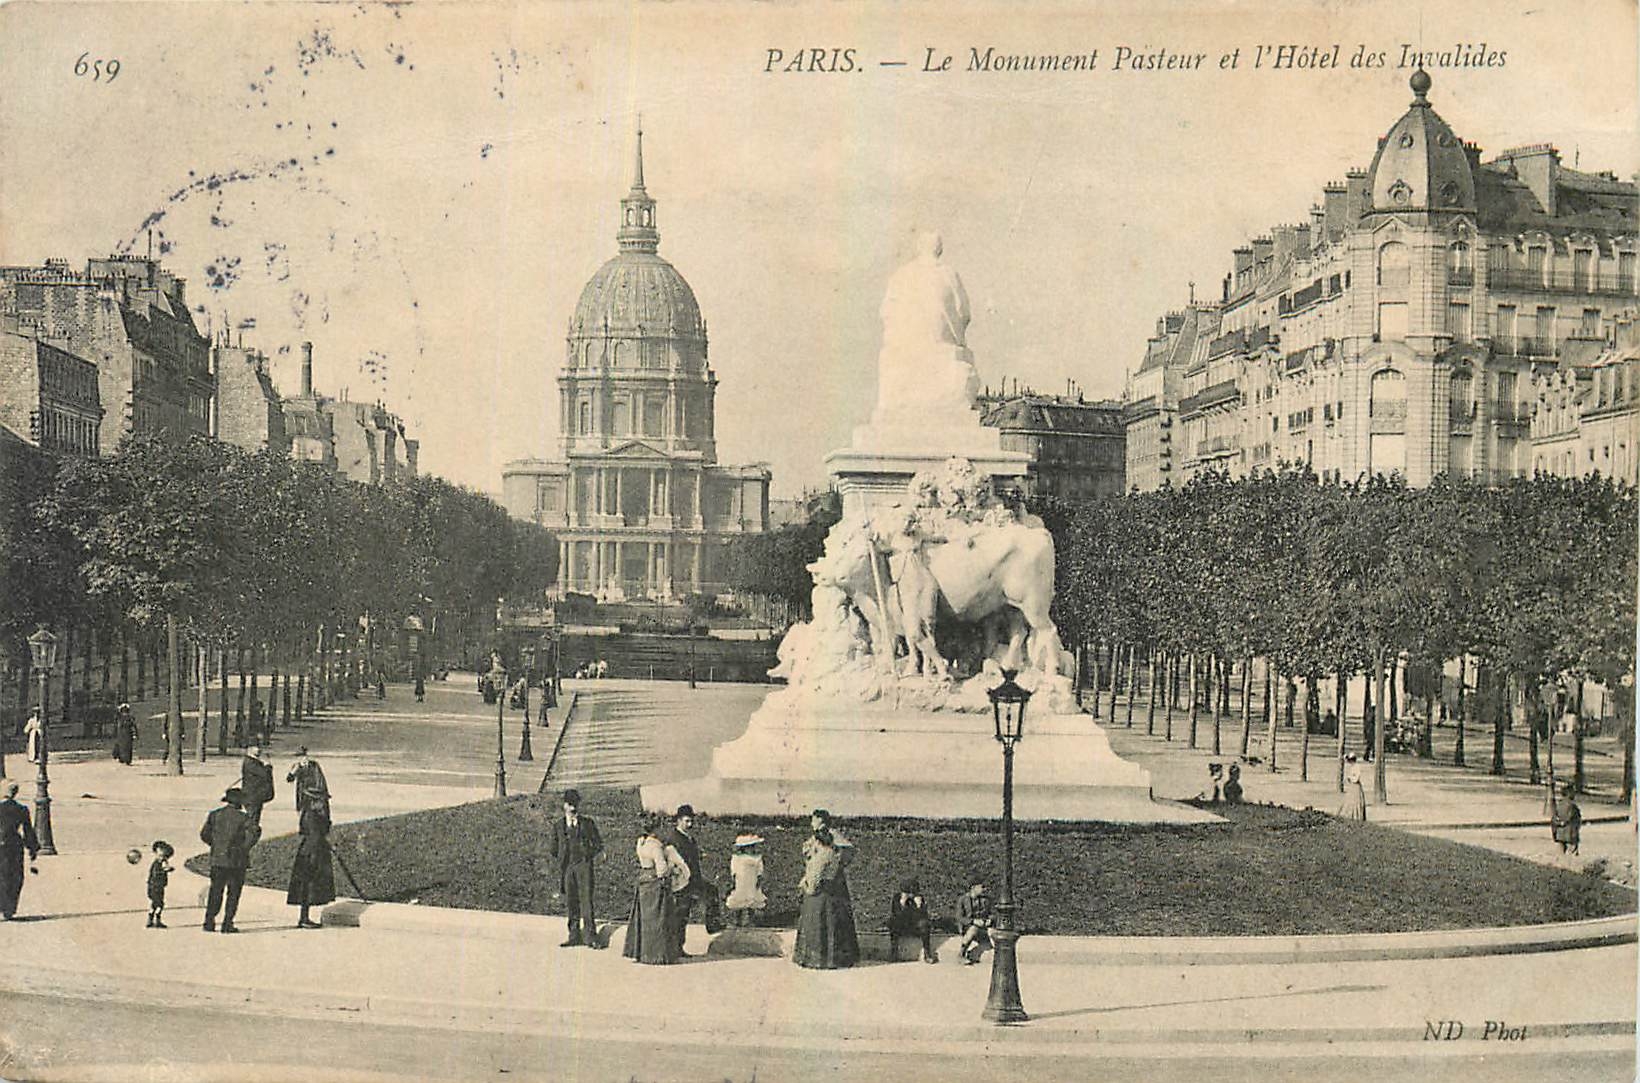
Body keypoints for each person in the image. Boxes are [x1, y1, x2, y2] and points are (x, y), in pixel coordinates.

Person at [793, 809, 858, 970]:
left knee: (834, 916)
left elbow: (848, 852)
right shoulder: (815, 837)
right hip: (820, 874)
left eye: (814, 820)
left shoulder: (832, 835)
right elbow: (809, 856)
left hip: (832, 881)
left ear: (822, 821)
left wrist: (839, 863)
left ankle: (834, 956)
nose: (812, 823)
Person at [623, 812, 686, 964]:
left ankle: (642, 952)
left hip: (643, 880)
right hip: (655, 884)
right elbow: (662, 870)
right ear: (656, 829)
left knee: (644, 919)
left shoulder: (641, 842)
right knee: (658, 920)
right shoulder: (656, 846)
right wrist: (673, 868)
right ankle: (657, 955)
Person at [662, 804, 724, 955]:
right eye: (687, 821)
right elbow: (673, 861)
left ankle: (712, 925)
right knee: (681, 914)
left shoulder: (688, 838)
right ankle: (676, 947)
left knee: (710, 893)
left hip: (693, 879)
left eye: (691, 821)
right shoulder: (674, 838)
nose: (690, 825)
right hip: (681, 882)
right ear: (678, 820)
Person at [548, 788, 604, 948]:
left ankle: (590, 936)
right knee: (571, 900)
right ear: (564, 805)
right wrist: (563, 857)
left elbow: (598, 844)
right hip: (568, 868)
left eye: (576, 806)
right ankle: (574, 935)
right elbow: (553, 848)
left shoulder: (588, 824)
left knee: (586, 900)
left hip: (584, 866)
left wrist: (587, 855)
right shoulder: (558, 826)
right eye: (570, 805)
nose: (573, 809)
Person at [200, 786, 261, 933]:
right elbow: (255, 833)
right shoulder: (244, 818)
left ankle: (209, 921)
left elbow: (204, 835)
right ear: (239, 802)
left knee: (215, 890)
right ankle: (227, 923)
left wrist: (216, 845)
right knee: (233, 893)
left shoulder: (214, 815)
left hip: (218, 860)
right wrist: (243, 848)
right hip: (236, 861)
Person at [286, 798, 336, 928]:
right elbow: (315, 836)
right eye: (320, 801)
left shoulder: (310, 813)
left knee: (306, 887)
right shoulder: (312, 816)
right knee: (308, 886)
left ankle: (304, 917)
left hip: (309, 850)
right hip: (312, 852)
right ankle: (304, 918)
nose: (323, 804)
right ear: (313, 802)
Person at [0, 780, 41, 921]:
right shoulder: (21, 809)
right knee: (15, 876)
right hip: (15, 846)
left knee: (2, 876)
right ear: (15, 793)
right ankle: (9, 908)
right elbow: (28, 830)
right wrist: (33, 848)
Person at [888, 878, 937, 963]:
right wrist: (902, 904)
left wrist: (919, 906)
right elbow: (896, 914)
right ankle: (894, 952)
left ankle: (927, 953)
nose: (911, 895)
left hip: (915, 926)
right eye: (908, 893)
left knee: (924, 924)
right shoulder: (897, 898)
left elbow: (923, 916)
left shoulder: (919, 899)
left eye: (913, 893)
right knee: (893, 922)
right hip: (902, 925)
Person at [724, 834, 767, 928]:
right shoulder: (737, 858)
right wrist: (733, 880)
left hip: (752, 880)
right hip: (741, 880)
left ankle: (748, 920)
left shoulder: (757, 858)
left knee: (752, 898)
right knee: (738, 898)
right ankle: (736, 919)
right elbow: (734, 871)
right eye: (750, 847)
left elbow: (760, 871)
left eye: (753, 846)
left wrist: (759, 881)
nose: (752, 849)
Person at [956, 878, 993, 965]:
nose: (984, 889)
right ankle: (961, 954)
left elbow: (992, 913)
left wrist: (989, 920)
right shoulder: (963, 899)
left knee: (990, 944)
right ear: (973, 887)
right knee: (973, 929)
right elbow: (959, 917)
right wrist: (973, 921)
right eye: (981, 887)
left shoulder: (986, 900)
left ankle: (971, 954)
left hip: (983, 927)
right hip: (968, 927)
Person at [287, 747, 331, 816]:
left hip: (315, 793)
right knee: (304, 813)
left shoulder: (314, 765)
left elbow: (319, 779)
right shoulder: (297, 766)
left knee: (316, 812)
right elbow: (289, 779)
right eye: (299, 757)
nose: (302, 759)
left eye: (303, 756)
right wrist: (293, 772)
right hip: (303, 794)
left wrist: (319, 792)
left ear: (306, 756)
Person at [240, 745, 275, 825]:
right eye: (256, 748)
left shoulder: (254, 761)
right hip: (252, 797)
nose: (259, 750)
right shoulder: (250, 762)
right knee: (252, 821)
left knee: (255, 819)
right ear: (249, 749)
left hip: (256, 796)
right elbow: (264, 774)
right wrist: (267, 765)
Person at [146, 840, 174, 928]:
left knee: (155, 904)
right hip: (156, 886)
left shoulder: (158, 862)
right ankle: (156, 920)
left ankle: (150, 920)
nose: (163, 858)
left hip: (154, 886)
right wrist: (167, 869)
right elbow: (161, 871)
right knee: (159, 904)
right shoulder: (159, 863)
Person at [1551, 783, 1582, 855]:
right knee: (1573, 853)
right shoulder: (1572, 806)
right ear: (1569, 794)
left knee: (1560, 852)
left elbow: (1554, 819)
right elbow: (1576, 819)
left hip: (1560, 834)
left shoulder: (1559, 805)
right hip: (1571, 834)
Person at [1339, 754, 1367, 821]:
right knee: (1349, 800)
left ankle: (1357, 816)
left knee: (1356, 801)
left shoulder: (1357, 767)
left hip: (1356, 786)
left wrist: (1351, 778)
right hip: (1352, 786)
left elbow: (1356, 778)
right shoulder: (1352, 767)